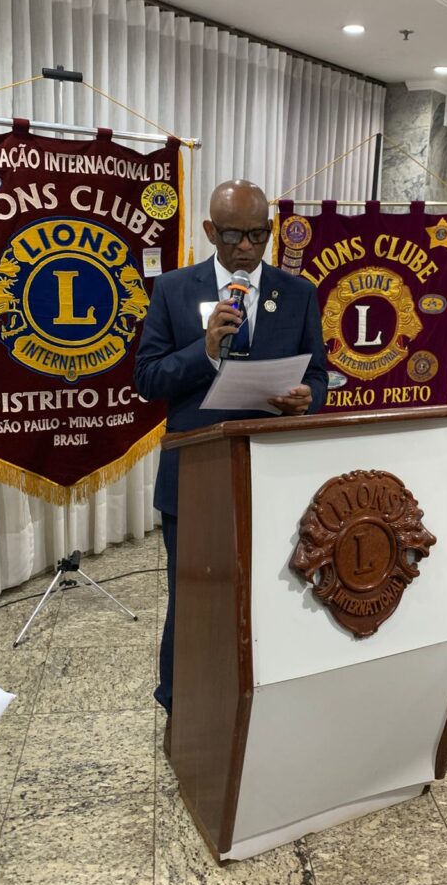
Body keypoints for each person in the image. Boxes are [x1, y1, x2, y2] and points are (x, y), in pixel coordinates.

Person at [134, 179, 328, 725]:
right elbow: (147, 378)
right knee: (194, 595)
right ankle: (180, 702)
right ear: (209, 231)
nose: (246, 247)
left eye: (258, 234)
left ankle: (264, 693)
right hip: (195, 475)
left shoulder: (297, 293)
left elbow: (319, 374)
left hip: (273, 472)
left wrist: (308, 398)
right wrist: (205, 351)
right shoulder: (174, 289)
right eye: (232, 235)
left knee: (272, 591)